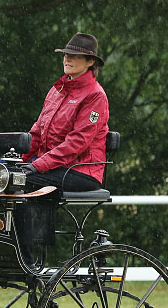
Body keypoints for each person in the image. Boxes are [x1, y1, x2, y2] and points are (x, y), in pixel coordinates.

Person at [20, 32, 110, 191]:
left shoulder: (95, 96)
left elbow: (76, 143)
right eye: (66, 54)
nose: (67, 59)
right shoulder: (56, 91)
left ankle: (28, 217)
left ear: (90, 61)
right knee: (3, 175)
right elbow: (36, 134)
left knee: (20, 181)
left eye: (74, 56)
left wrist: (37, 165)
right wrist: (16, 161)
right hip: (54, 167)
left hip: (81, 171)